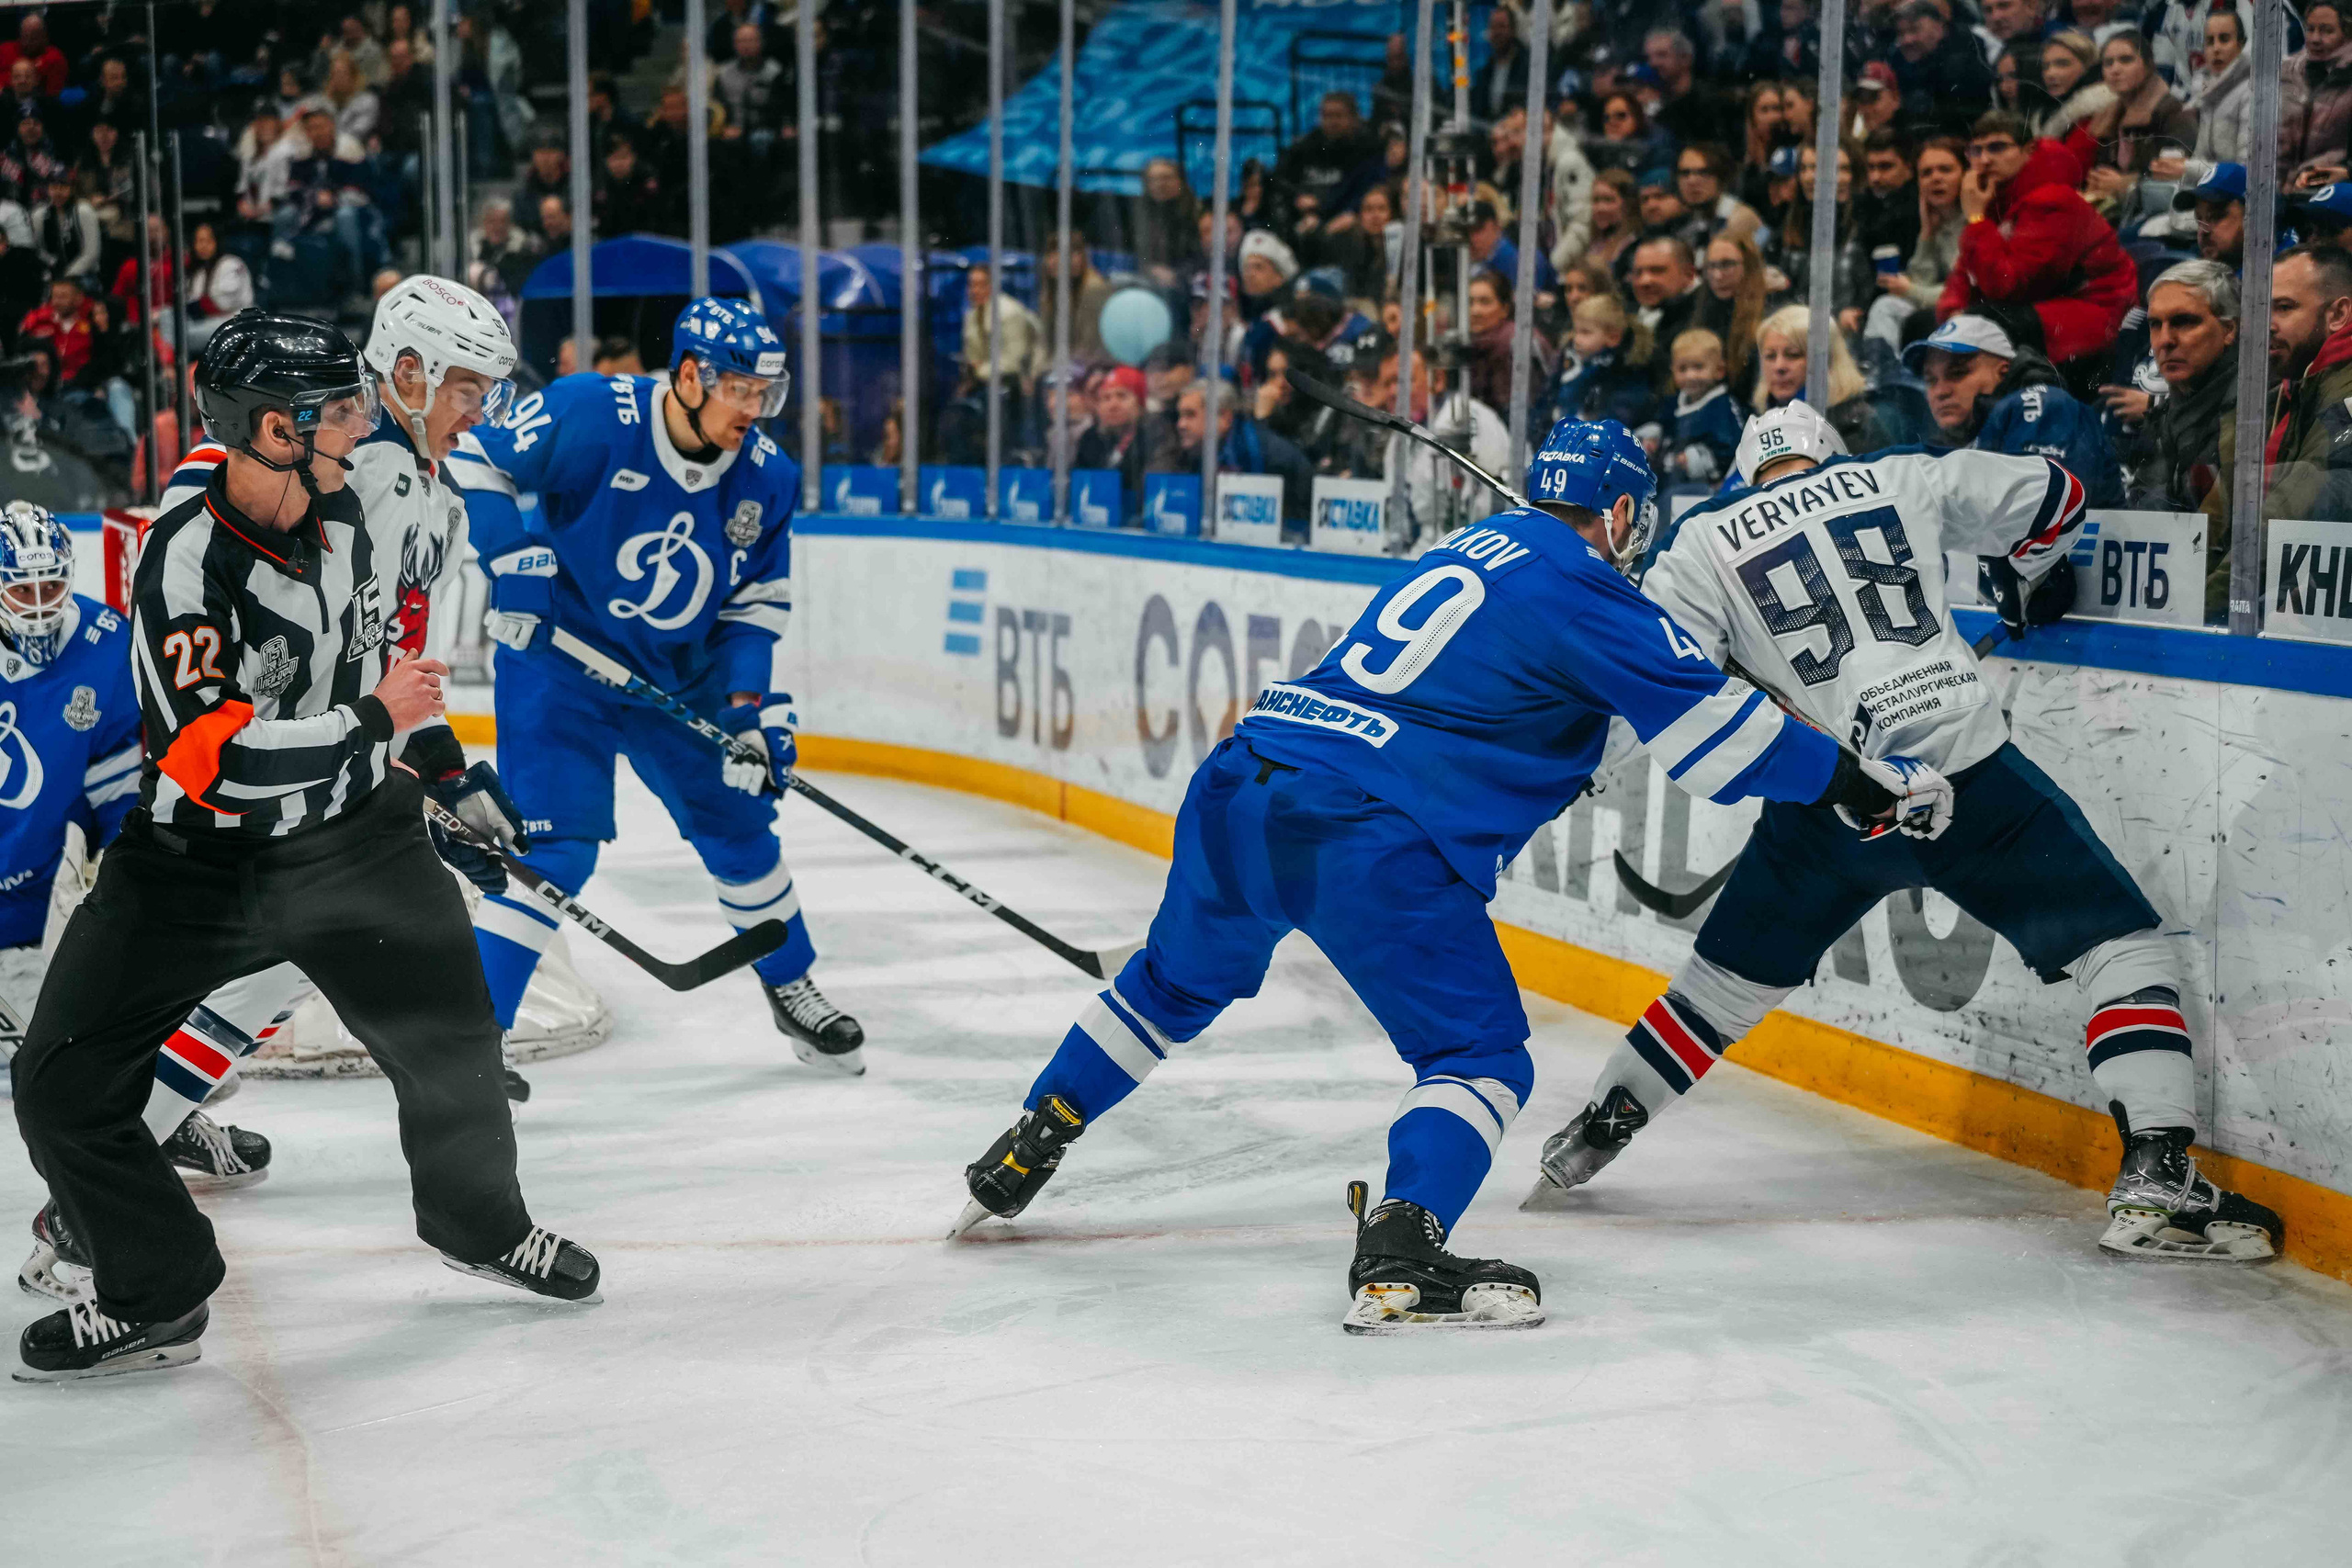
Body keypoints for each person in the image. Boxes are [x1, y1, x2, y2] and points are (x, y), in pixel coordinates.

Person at [953, 418, 1931, 1331]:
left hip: (1242, 781)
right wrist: (1859, 783)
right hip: (1363, 831)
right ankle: (1402, 1248)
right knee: (1481, 1056)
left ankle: (1032, 1136)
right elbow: (1723, 734)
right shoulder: (1584, 590)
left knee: (1169, 986)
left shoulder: (1469, 548)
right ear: (1625, 514)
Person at [1530, 400, 2285, 1268]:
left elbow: (1648, 682)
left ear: (1744, 477)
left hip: (1832, 802)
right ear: (1832, 455)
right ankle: (2159, 1168)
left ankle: (1600, 1126)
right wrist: (2028, 575)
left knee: (1716, 991)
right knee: (2120, 946)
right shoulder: (1900, 473)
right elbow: (2059, 494)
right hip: (1970, 776)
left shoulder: (1700, 542)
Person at [11, 311, 598, 1382]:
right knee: (57, 1086)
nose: (365, 420)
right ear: (277, 430)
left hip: (359, 842)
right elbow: (208, 763)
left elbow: (388, 666)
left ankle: (480, 1226)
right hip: (199, 863)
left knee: (455, 1043)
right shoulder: (183, 559)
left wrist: (449, 774)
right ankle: (154, 1290)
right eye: (341, 409)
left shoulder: (350, 508)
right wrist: (375, 725)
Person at [455, 297, 866, 1073]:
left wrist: (747, 707)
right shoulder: (591, 410)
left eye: (763, 393)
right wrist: (511, 558)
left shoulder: (768, 476)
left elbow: (754, 602)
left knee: (740, 827)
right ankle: (475, 1037)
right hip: (559, 664)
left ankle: (792, 984)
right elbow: (478, 457)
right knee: (554, 852)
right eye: (739, 389)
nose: (753, 409)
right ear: (688, 375)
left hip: (680, 677)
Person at [1939, 111, 2138, 368]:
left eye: (1997, 147)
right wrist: (1951, 312)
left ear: (2028, 150)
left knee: (1983, 324)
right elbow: (1965, 273)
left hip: (2097, 312)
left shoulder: (2054, 199)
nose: (1985, 160)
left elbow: (2012, 286)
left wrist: (1976, 220)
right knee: (1929, 324)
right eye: (1975, 151)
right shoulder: (1993, 195)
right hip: (2044, 306)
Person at [1905, 310, 2124, 505]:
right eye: (1931, 380)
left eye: (1958, 373)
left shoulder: (2045, 406)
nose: (1941, 391)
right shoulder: (1949, 442)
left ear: (2003, 370)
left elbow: (2042, 520)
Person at [2120, 260, 2238, 615]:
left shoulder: (2256, 412)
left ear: (2230, 329)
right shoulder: (2168, 415)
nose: (2165, 340)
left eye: (2184, 322)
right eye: (2156, 325)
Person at [2260, 243, 2352, 525]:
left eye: (2284, 307)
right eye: (2264, 309)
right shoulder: (2292, 388)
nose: (2268, 324)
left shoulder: (2344, 396)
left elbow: (2289, 516)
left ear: (2338, 315)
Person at [1554, 292, 1657, 432]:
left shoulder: (1627, 370)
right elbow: (1549, 396)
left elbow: (1622, 414)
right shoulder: (1570, 360)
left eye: (1585, 332)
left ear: (1613, 337)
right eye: (1575, 331)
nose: (1576, 339)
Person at [1658, 327, 1742, 486]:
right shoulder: (1673, 403)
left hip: (1712, 489)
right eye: (1682, 369)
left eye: (1698, 367)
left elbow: (1732, 449)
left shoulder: (1723, 407)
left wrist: (1694, 458)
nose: (1690, 376)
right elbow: (1665, 428)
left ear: (1719, 370)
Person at [1072, 365, 1153, 525]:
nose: (1113, 405)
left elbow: (1150, 494)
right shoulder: (1090, 438)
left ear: (1140, 403)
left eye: (1122, 396)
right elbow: (1077, 487)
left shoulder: (1154, 434)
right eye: (1106, 398)